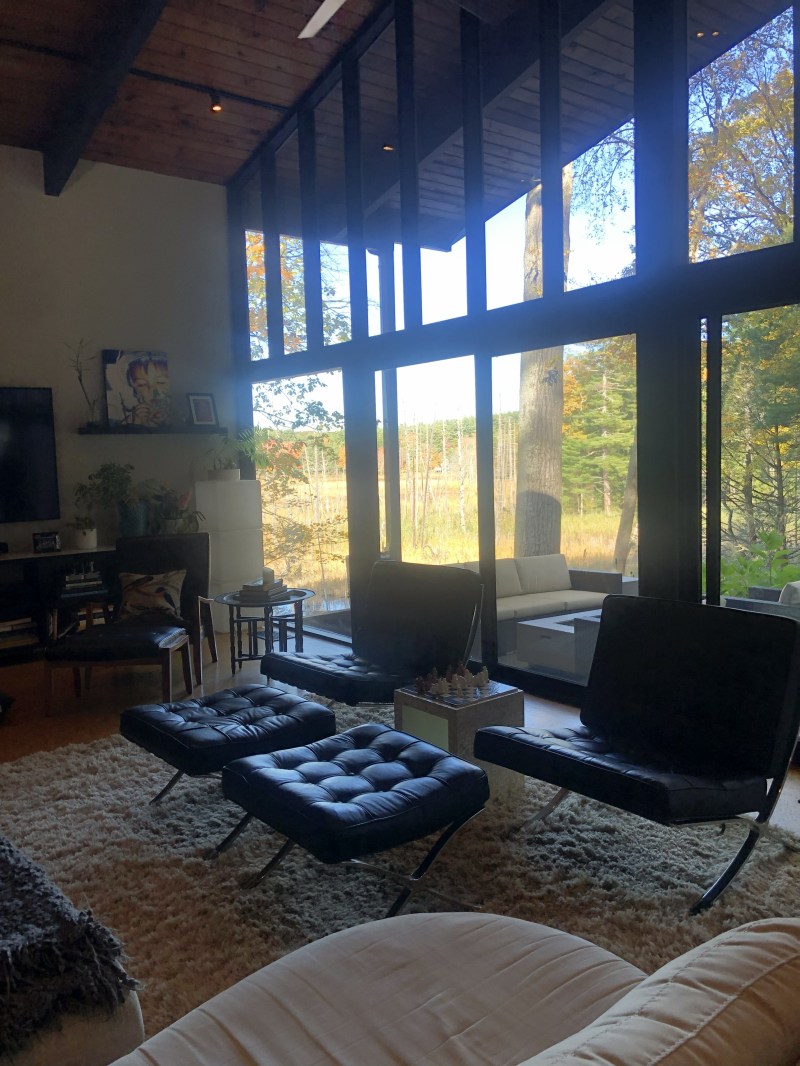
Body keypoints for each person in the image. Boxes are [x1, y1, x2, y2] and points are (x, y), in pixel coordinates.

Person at [124, 352, 170, 426]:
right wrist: (138, 422)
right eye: (142, 384)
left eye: (161, 382)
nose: (152, 391)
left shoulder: (176, 414)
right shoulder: (137, 416)